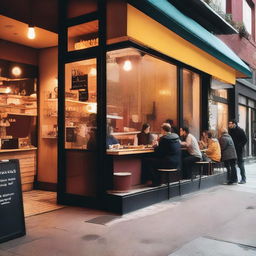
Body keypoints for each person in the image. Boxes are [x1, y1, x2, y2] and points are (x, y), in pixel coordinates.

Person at [228, 120, 247, 184]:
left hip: (239, 151)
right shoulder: (230, 131)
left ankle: (243, 179)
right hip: (232, 150)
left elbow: (245, 140)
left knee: (240, 164)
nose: (229, 125)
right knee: (232, 164)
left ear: (234, 124)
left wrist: (240, 146)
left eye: (230, 123)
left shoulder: (240, 130)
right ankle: (234, 179)